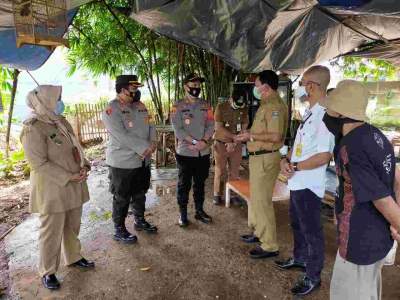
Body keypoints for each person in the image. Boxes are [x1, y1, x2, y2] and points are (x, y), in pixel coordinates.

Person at [323, 80, 400, 300]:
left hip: (359, 241)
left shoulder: (351, 147)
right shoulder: (375, 134)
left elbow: (382, 200)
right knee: (368, 291)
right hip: (379, 236)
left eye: (329, 107)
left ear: (338, 112)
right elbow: (397, 177)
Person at [20, 85, 94, 290]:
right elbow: (38, 163)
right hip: (52, 188)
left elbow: (75, 147)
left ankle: (73, 257)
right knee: (51, 232)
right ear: (45, 101)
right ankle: (48, 271)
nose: (61, 102)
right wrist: (69, 176)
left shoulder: (60, 121)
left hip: (73, 182)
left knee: (72, 224)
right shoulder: (32, 127)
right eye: (58, 98)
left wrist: (84, 165)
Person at [276, 66, 334, 296]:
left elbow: (323, 156)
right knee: (297, 224)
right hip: (297, 181)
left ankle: (313, 275)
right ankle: (300, 258)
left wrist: (296, 166)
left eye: (302, 84)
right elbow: (299, 147)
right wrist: (286, 159)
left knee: (312, 231)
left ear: (311, 86)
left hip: (309, 185)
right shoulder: (309, 112)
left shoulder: (326, 116)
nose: (300, 88)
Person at [235, 70, 288, 259]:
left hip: (266, 158)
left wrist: (251, 136)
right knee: (256, 197)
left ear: (265, 87)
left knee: (262, 201)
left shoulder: (274, 106)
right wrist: (248, 134)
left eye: (256, 85)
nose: (254, 89)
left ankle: (270, 245)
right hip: (259, 157)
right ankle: (258, 232)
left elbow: (276, 136)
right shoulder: (266, 104)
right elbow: (262, 131)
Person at [102, 75, 158, 244]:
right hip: (123, 162)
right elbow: (121, 135)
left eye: (136, 88)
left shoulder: (141, 106)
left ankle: (139, 221)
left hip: (142, 160)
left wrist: (153, 142)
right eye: (133, 88)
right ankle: (119, 229)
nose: (136, 91)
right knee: (122, 197)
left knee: (140, 192)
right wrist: (144, 148)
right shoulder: (111, 109)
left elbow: (151, 124)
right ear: (122, 89)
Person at [171, 73, 215, 227]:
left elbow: (211, 125)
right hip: (186, 153)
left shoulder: (206, 105)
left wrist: (203, 142)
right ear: (185, 86)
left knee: (200, 184)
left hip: (203, 152)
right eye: (193, 85)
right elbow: (178, 130)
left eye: (198, 86)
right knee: (184, 184)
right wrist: (196, 142)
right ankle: (182, 214)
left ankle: (199, 211)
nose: (196, 88)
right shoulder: (177, 106)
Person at [213, 89, 248, 205]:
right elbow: (218, 127)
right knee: (220, 170)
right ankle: (217, 194)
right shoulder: (221, 107)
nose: (239, 107)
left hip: (236, 144)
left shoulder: (243, 107)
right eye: (237, 104)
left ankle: (233, 195)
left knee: (234, 171)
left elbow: (244, 125)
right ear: (231, 99)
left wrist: (235, 141)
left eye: (241, 105)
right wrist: (232, 138)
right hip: (221, 143)